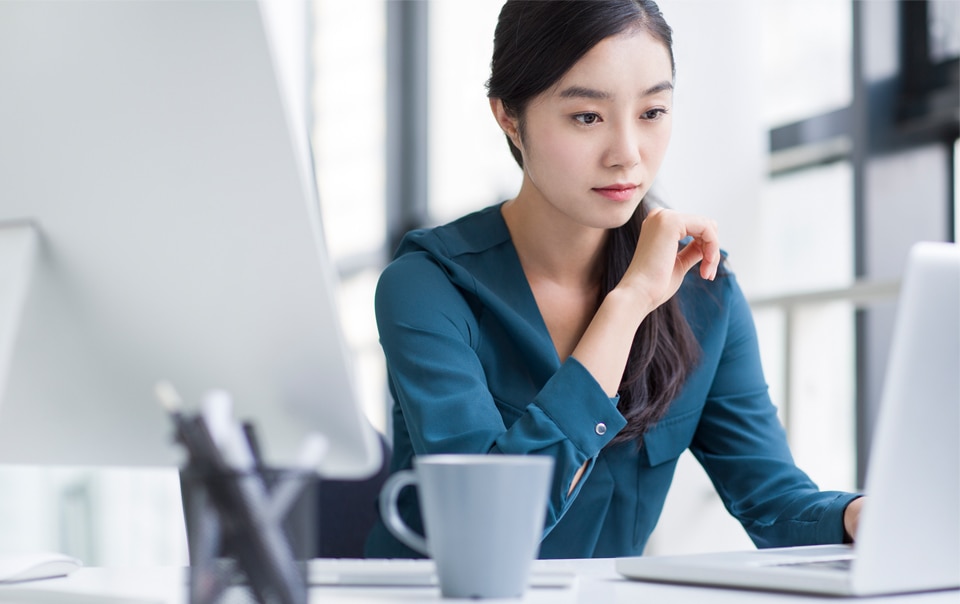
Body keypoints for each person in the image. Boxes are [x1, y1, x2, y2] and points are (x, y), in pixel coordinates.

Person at [365, 0, 863, 559]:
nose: (627, 155)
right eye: (587, 117)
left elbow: (772, 501)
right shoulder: (428, 286)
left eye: (652, 113)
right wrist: (627, 304)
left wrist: (858, 516)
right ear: (509, 116)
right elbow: (487, 532)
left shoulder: (703, 292)